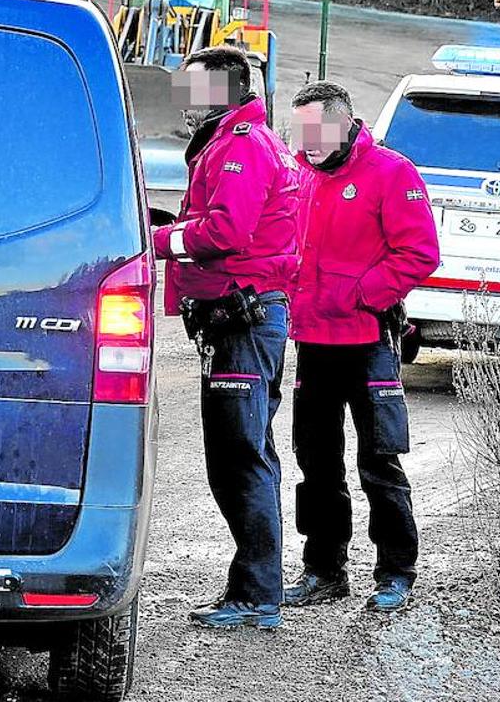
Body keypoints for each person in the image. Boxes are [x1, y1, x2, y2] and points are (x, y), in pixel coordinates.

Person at [153, 46, 300, 629]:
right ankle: (253, 588)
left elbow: (227, 231)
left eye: (194, 90)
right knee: (238, 458)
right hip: (240, 318)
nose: (184, 102)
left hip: (244, 319)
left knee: (242, 459)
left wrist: (162, 242)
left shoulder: (241, 146)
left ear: (227, 91)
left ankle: (259, 595)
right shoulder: (234, 142)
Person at [283, 81, 440, 613]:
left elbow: (419, 253)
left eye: (316, 130)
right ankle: (324, 570)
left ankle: (396, 572)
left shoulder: (392, 173)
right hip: (312, 342)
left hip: (368, 340)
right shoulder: (301, 174)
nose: (306, 142)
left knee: (379, 461)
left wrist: (363, 296)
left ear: (344, 123)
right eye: (300, 130)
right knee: (317, 463)